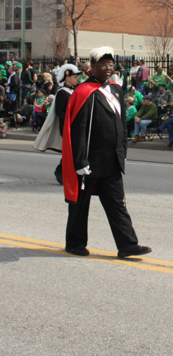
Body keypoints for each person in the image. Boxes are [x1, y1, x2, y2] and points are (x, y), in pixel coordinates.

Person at [62, 46, 151, 258]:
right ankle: (75, 243)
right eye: (103, 64)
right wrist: (80, 160)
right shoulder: (84, 92)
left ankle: (127, 244)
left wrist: (123, 150)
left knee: (117, 203)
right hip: (90, 161)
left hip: (112, 159)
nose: (108, 68)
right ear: (92, 67)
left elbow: (121, 122)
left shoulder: (117, 89)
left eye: (110, 64)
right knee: (80, 204)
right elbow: (79, 129)